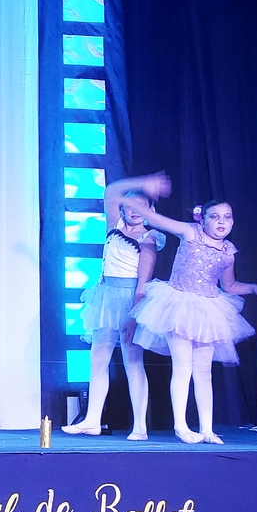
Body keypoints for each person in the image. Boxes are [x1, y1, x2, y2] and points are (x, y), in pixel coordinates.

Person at [123, 198, 257, 444]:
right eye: (215, 217)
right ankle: (181, 426)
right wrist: (135, 204)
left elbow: (229, 285)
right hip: (178, 306)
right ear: (202, 220)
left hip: (208, 310)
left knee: (204, 372)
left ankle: (207, 429)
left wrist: (254, 288)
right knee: (183, 367)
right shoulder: (190, 232)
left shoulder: (228, 251)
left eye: (227, 217)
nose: (221, 222)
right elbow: (157, 220)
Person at [64, 173, 171, 440]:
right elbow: (111, 192)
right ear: (122, 209)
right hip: (105, 297)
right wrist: (143, 183)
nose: (134, 210)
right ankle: (92, 420)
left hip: (130, 298)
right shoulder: (114, 228)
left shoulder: (149, 237)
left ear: (150, 210)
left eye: (141, 206)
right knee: (97, 359)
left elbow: (143, 280)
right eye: (129, 205)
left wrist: (134, 314)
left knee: (132, 362)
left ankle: (140, 427)